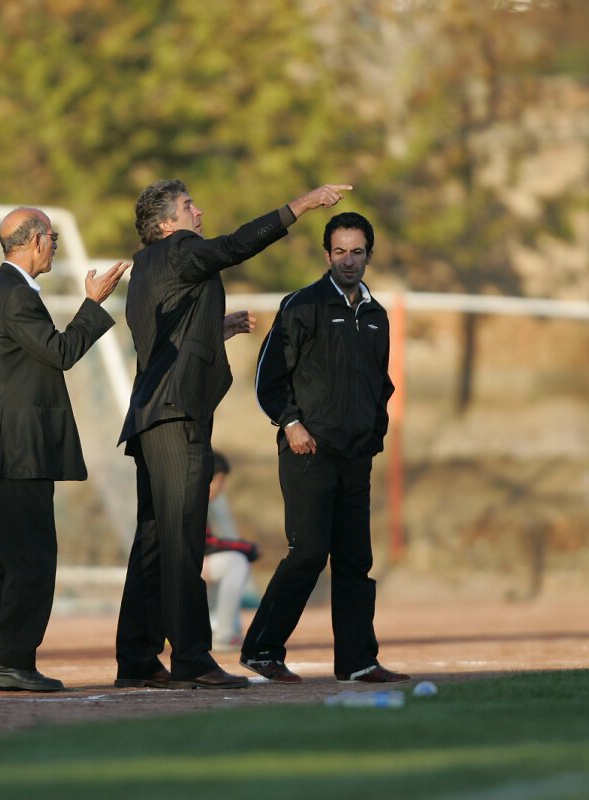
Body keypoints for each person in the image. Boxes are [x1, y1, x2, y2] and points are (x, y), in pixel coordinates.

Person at [114, 179, 351, 690]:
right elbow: (237, 245)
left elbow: (161, 338)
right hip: (177, 417)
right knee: (183, 541)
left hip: (149, 418)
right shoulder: (181, 249)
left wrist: (213, 329)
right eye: (187, 207)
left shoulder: (146, 266)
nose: (198, 212)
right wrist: (303, 204)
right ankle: (192, 658)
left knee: (154, 541)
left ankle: (137, 657)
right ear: (166, 225)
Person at [0, 207, 128, 692]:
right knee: (30, 561)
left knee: (0, 563)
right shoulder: (15, 295)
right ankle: (13, 661)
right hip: (17, 453)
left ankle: (3, 661)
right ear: (37, 241)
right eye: (53, 239)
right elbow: (61, 352)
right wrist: (93, 304)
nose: (55, 247)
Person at [240, 211, 409, 685]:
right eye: (339, 251)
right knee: (309, 552)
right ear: (326, 254)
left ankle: (358, 661)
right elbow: (268, 377)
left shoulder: (376, 316)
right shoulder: (302, 305)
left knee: (355, 561)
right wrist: (291, 424)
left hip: (357, 456)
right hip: (307, 451)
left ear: (369, 255)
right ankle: (261, 649)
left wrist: (373, 434)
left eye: (357, 252)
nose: (348, 260)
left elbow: (380, 383)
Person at [201, 451, 260, 651]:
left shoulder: (198, 502)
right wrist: (246, 548)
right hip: (173, 569)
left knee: (232, 561)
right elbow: (207, 544)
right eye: (219, 480)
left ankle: (211, 626)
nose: (221, 487)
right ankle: (224, 634)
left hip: (180, 566)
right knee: (235, 562)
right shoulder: (192, 501)